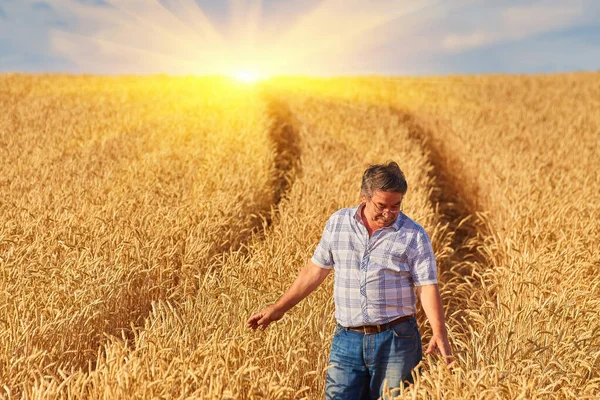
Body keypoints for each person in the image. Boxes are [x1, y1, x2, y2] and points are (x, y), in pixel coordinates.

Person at [247, 161, 452, 399]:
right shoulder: (338, 223)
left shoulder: (414, 235)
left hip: (397, 340)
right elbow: (315, 270)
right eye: (381, 205)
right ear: (363, 196)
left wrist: (439, 332)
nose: (388, 213)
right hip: (347, 338)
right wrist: (279, 308)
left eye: (396, 205)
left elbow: (426, 286)